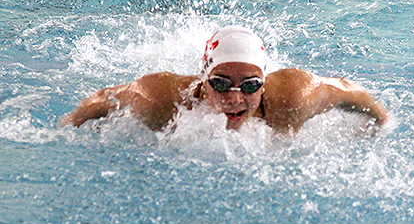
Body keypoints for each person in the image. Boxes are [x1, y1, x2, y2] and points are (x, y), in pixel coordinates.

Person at [60, 26, 388, 133]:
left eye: (249, 86)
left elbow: (349, 92)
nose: (234, 98)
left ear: (263, 81)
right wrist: (66, 130)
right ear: (203, 78)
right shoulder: (162, 101)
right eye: (220, 83)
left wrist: (380, 126)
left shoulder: (292, 99)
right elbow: (104, 98)